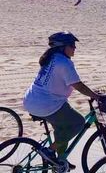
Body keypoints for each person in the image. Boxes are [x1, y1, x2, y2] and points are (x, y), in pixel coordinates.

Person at [23, 32, 101, 167]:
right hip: (47, 104)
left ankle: (60, 160)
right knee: (78, 122)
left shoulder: (51, 58)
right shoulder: (64, 62)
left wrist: (92, 93)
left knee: (62, 128)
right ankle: (49, 151)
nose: (74, 48)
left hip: (31, 99)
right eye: (72, 45)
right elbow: (78, 85)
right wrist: (96, 96)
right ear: (62, 47)